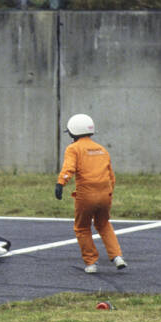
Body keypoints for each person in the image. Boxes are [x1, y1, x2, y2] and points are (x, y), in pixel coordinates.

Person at [55, 114, 127, 274]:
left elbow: (69, 168)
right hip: (105, 194)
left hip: (86, 195)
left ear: (73, 132)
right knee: (104, 224)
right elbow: (111, 176)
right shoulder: (102, 149)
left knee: (82, 228)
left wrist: (61, 183)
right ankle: (117, 256)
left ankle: (91, 262)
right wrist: (109, 193)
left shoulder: (73, 149)